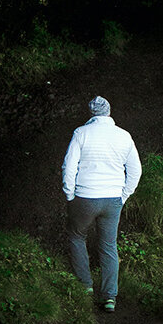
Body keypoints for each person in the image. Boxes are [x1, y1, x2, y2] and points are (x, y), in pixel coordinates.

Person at [61, 96, 142, 310]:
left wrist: (70, 195)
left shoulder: (81, 133)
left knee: (77, 236)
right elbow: (136, 170)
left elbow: (69, 166)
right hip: (113, 199)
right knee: (108, 246)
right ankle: (109, 297)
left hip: (85, 197)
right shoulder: (124, 136)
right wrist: (123, 196)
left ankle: (85, 286)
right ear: (109, 112)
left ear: (91, 113)